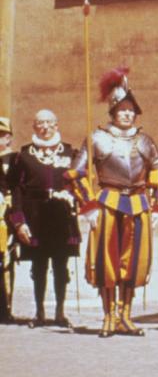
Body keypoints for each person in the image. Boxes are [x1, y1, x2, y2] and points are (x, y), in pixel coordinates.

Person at [80, 68, 158, 338]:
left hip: (138, 204)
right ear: (113, 111)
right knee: (107, 261)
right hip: (108, 202)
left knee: (133, 262)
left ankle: (125, 316)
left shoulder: (145, 141)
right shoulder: (97, 138)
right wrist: (89, 206)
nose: (128, 114)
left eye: (131, 110)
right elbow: (77, 174)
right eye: (123, 109)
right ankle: (108, 316)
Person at [7, 110, 83, 328]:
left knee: (61, 265)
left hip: (61, 216)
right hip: (35, 217)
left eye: (50, 123)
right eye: (40, 123)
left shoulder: (70, 153)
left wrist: (75, 196)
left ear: (57, 125)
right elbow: (16, 190)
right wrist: (19, 221)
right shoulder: (23, 156)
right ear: (34, 126)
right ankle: (39, 311)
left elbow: (80, 182)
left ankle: (60, 312)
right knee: (39, 265)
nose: (45, 127)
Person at [1, 117, 18, 322]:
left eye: (2, 135)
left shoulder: (15, 160)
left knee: (7, 261)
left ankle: (5, 307)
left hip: (7, 215)